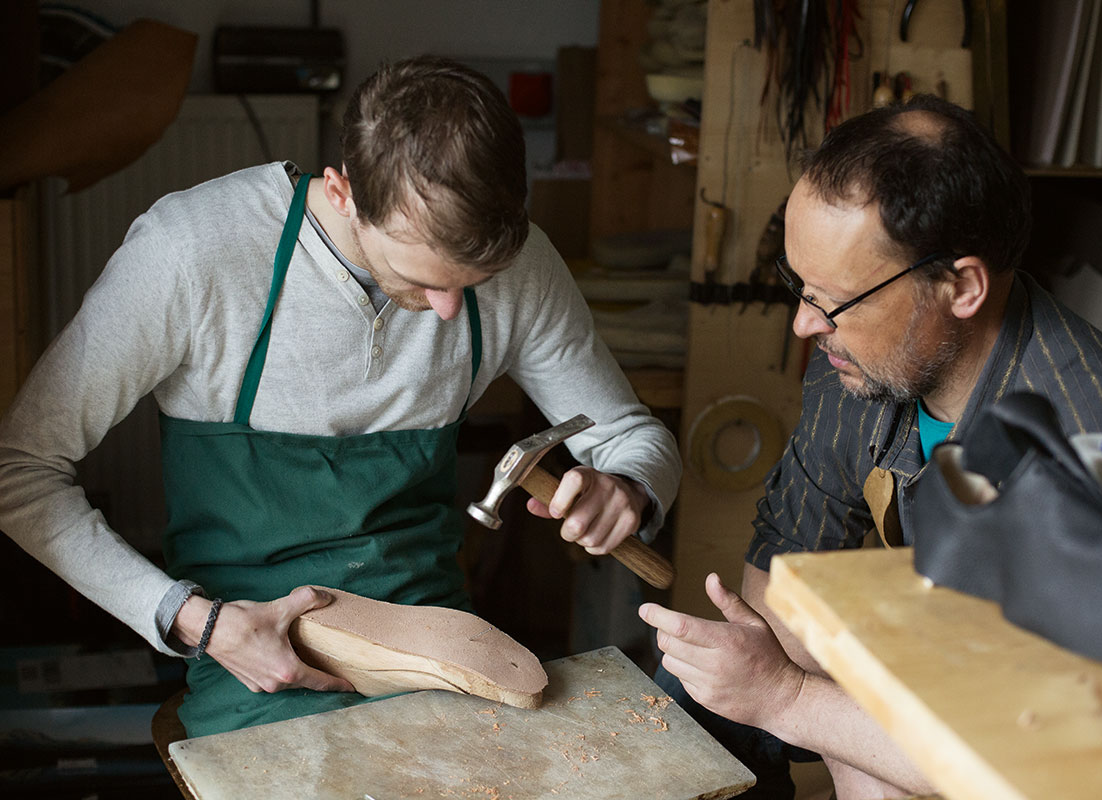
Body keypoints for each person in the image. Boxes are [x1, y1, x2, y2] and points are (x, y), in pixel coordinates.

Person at [0, 56, 681, 738]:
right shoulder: (194, 252)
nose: (446, 311)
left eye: (471, 283)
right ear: (343, 191)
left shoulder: (523, 266)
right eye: (420, 278)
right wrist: (192, 618)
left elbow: (632, 436)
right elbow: (19, 472)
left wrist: (628, 488)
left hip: (431, 636)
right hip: (251, 648)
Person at [639, 94, 1102, 800]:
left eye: (834, 301)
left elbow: (1047, 755)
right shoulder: (864, 359)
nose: (806, 325)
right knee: (688, 709)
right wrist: (783, 700)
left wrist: (793, 702)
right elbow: (790, 563)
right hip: (945, 660)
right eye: (800, 287)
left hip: (1099, 750)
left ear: (961, 286)